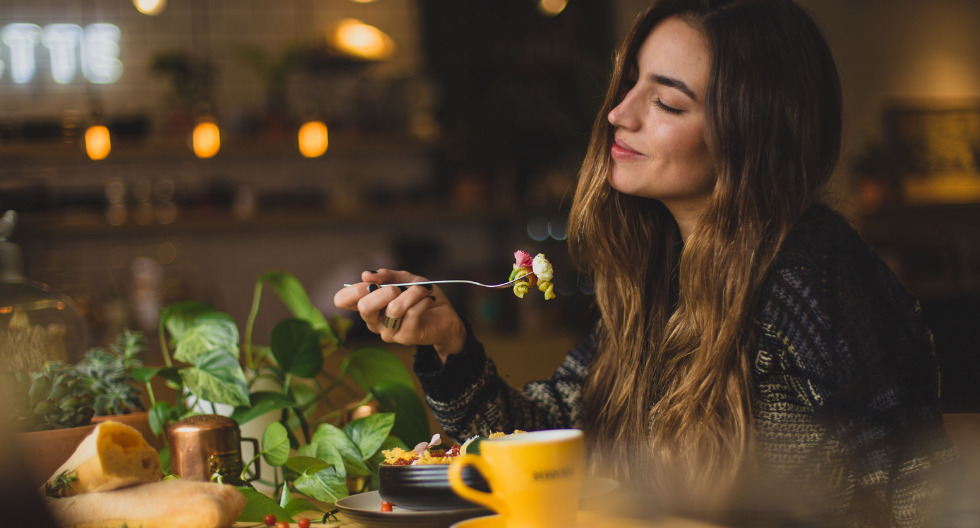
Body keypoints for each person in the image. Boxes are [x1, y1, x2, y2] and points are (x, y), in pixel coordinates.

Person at [334, 0, 959, 525]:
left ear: (751, 135)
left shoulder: (810, 280)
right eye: (631, 81)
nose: (617, 113)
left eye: (667, 103)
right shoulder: (668, 273)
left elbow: (911, 496)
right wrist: (449, 342)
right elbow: (549, 438)